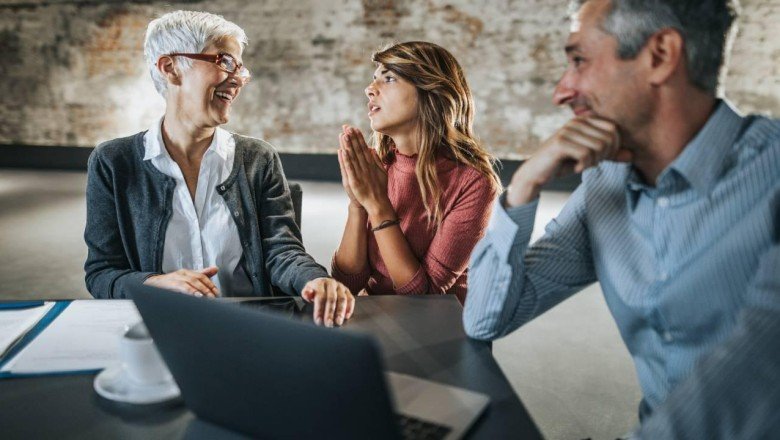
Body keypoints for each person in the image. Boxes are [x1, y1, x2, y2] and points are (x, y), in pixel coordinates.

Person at [463, 0, 780, 425]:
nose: (561, 91)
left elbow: (744, 385)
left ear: (660, 56)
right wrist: (523, 187)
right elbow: (484, 320)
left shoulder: (771, 176)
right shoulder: (607, 184)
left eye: (579, 60)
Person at [84, 10, 354, 327]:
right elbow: (102, 273)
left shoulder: (258, 158)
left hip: (250, 328)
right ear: (170, 68)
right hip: (163, 328)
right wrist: (153, 284)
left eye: (240, 67)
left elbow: (282, 250)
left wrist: (313, 280)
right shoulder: (113, 162)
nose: (238, 78)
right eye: (224, 61)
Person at [331, 41, 502, 304]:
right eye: (373, 79)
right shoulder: (380, 166)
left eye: (388, 78)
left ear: (430, 92)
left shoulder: (474, 182)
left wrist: (378, 206)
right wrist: (358, 204)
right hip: (381, 316)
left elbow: (424, 296)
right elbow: (347, 283)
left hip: (441, 325)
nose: (369, 89)